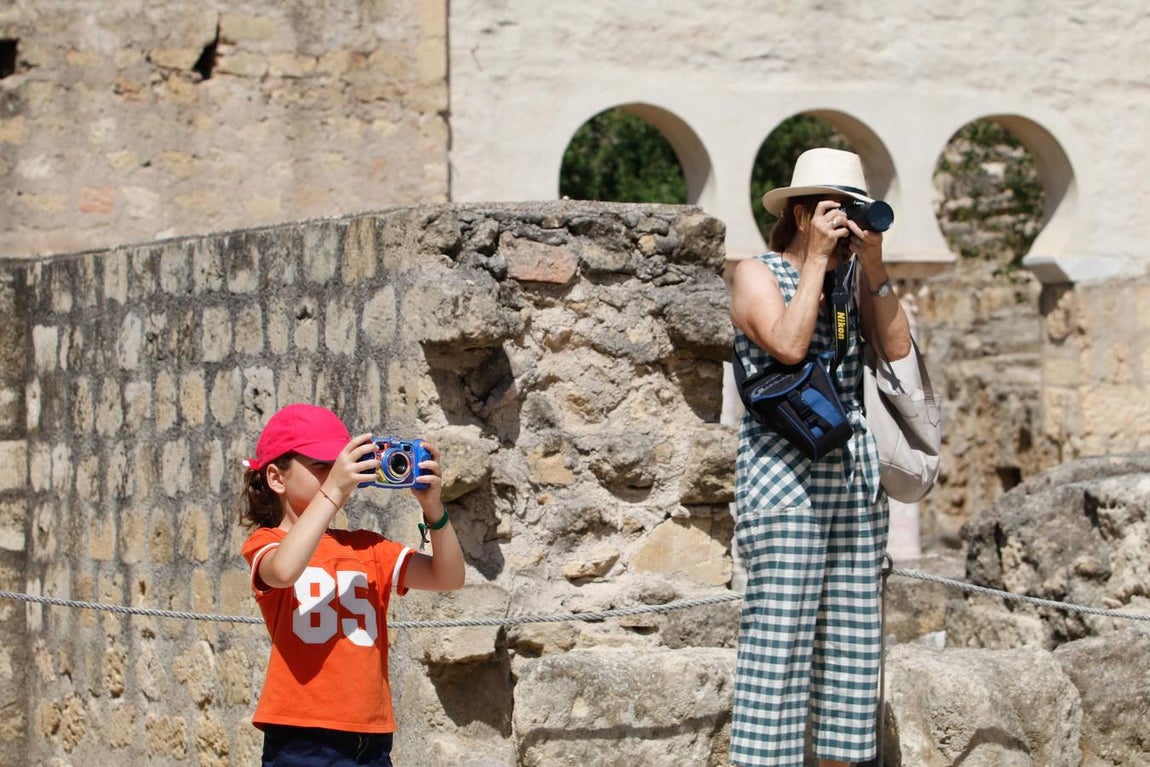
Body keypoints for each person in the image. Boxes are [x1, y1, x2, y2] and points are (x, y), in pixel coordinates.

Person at [727, 147, 912, 767]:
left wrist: (874, 267)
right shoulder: (756, 272)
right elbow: (786, 342)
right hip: (783, 478)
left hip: (851, 476)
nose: (845, 221)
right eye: (834, 209)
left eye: (853, 210)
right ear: (803, 214)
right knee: (778, 645)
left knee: (853, 655)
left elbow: (896, 348)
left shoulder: (853, 280)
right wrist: (815, 264)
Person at [239, 403, 465, 767]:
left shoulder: (366, 546)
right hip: (303, 735)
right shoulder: (266, 543)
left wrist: (433, 508)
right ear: (276, 478)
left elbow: (448, 577)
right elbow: (283, 571)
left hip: (371, 735)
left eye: (339, 464)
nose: (336, 475)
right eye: (321, 467)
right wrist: (333, 491)